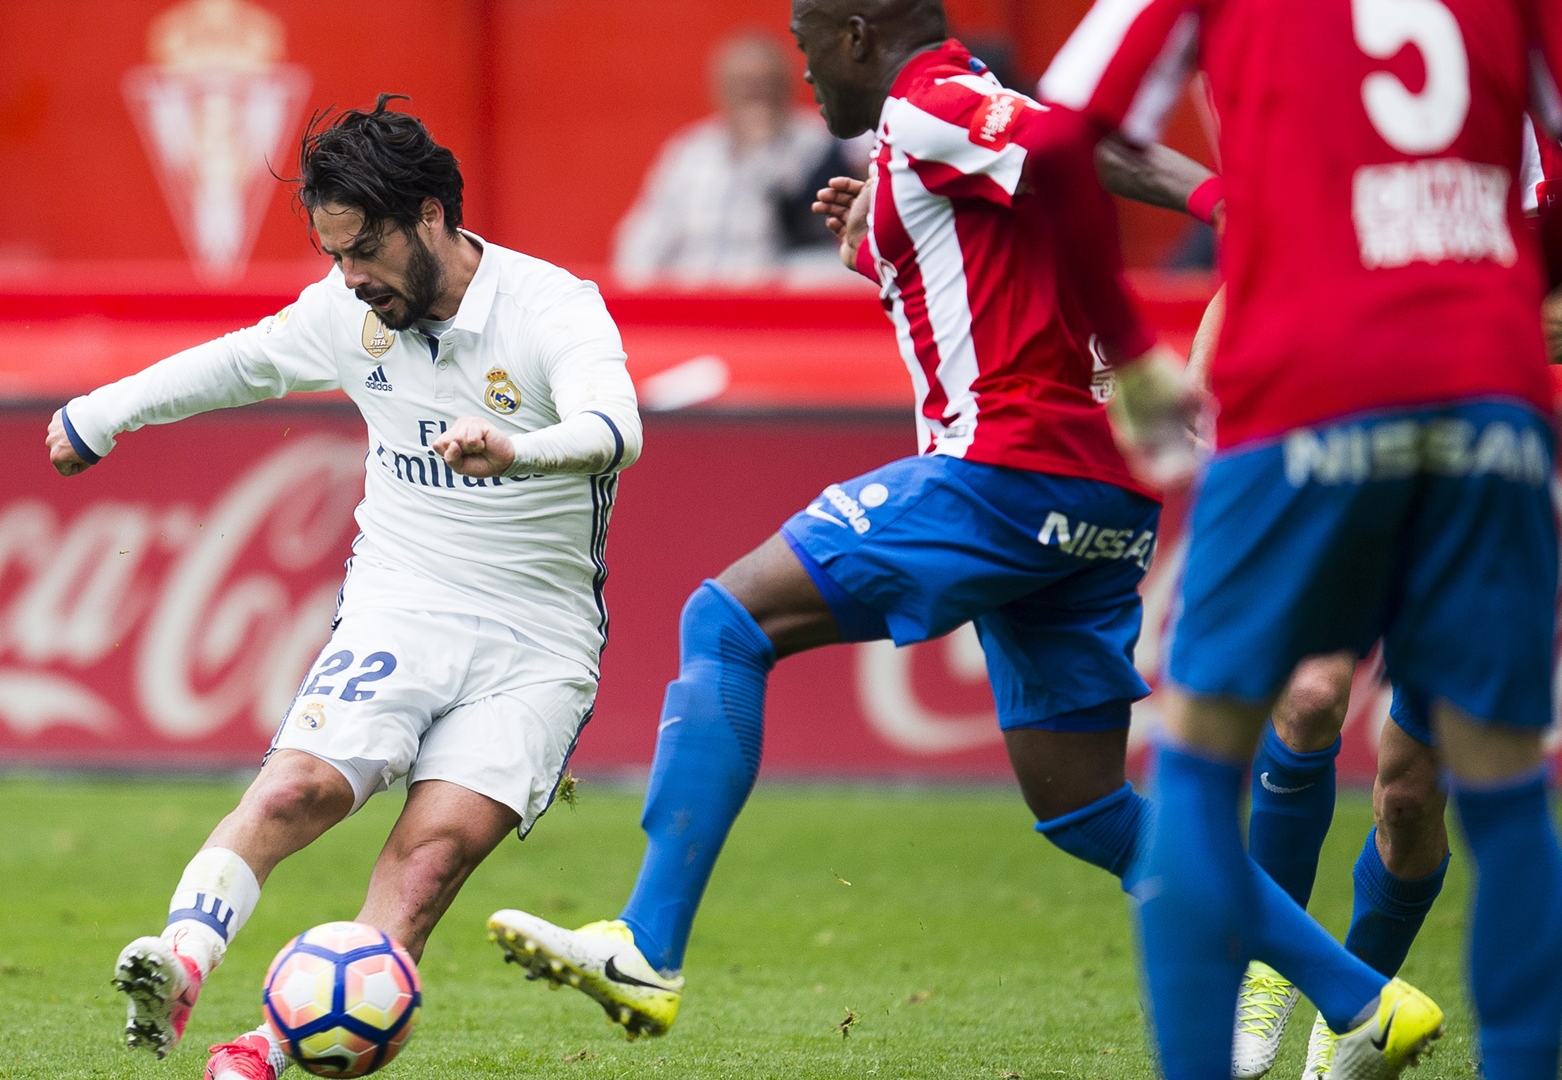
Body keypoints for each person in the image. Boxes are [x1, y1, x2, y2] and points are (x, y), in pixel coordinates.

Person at [483, 0, 1412, 1051]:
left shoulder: (933, 105)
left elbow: (1064, 144)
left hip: (1005, 473)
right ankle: (1364, 998)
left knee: (726, 621)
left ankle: (647, 944)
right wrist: (886, 248)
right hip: (1098, 496)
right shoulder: (940, 133)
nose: (806, 79)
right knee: (1090, 807)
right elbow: (1013, 260)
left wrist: (1219, 198)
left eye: (806, 48)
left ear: (859, 38)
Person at [1037, 0, 1562, 1078]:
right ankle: (1291, 998)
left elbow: (1058, 135)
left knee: (1210, 779)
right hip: (1483, 417)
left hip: (1317, 403)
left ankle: (1320, 1019)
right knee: (1501, 793)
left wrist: (1132, 358)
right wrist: (1484, 296)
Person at [45, 96, 643, 1080]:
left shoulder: (550, 308)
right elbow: (235, 365)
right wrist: (103, 414)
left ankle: (264, 1056)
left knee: (429, 864)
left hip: (537, 641)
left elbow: (618, 428)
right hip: (403, 601)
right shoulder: (346, 311)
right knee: (302, 784)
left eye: (364, 250)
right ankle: (181, 961)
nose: (350, 277)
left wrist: (521, 451)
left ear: (432, 219)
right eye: (335, 256)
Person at [612, 31, 855, 287]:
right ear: (721, 90)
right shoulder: (691, 151)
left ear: (787, 86)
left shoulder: (818, 144)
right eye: (744, 85)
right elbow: (643, 241)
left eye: (766, 84)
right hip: (694, 298)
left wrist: (762, 150)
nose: (755, 95)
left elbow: (808, 235)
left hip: (777, 302)